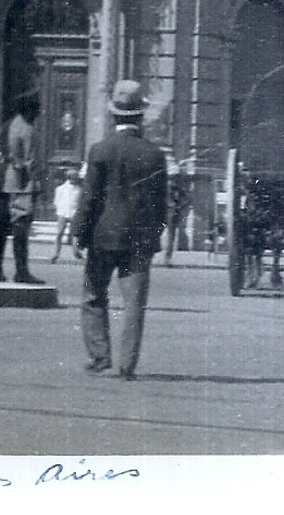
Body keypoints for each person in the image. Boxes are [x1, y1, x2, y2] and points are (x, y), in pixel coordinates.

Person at [74, 79, 168, 381]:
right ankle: (126, 366)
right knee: (134, 305)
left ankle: (100, 357)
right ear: (141, 116)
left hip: (103, 237)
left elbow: (89, 197)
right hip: (139, 241)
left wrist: (79, 233)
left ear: (114, 115)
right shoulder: (155, 154)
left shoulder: (99, 151)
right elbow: (161, 205)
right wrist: (155, 237)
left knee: (93, 296)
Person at [0, 92, 43, 284]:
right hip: (21, 184)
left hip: (2, 181)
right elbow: (31, 160)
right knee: (21, 228)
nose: (38, 113)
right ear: (29, 109)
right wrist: (37, 183)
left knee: (0, 228)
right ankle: (22, 271)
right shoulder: (27, 129)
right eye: (36, 109)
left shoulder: (3, 128)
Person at [49, 169, 83, 262]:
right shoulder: (60, 189)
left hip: (74, 213)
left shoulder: (79, 190)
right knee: (59, 233)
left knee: (75, 233)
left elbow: (79, 202)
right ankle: (56, 253)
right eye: (73, 178)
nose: (75, 180)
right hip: (62, 213)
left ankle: (76, 251)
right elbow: (57, 201)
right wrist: (59, 210)